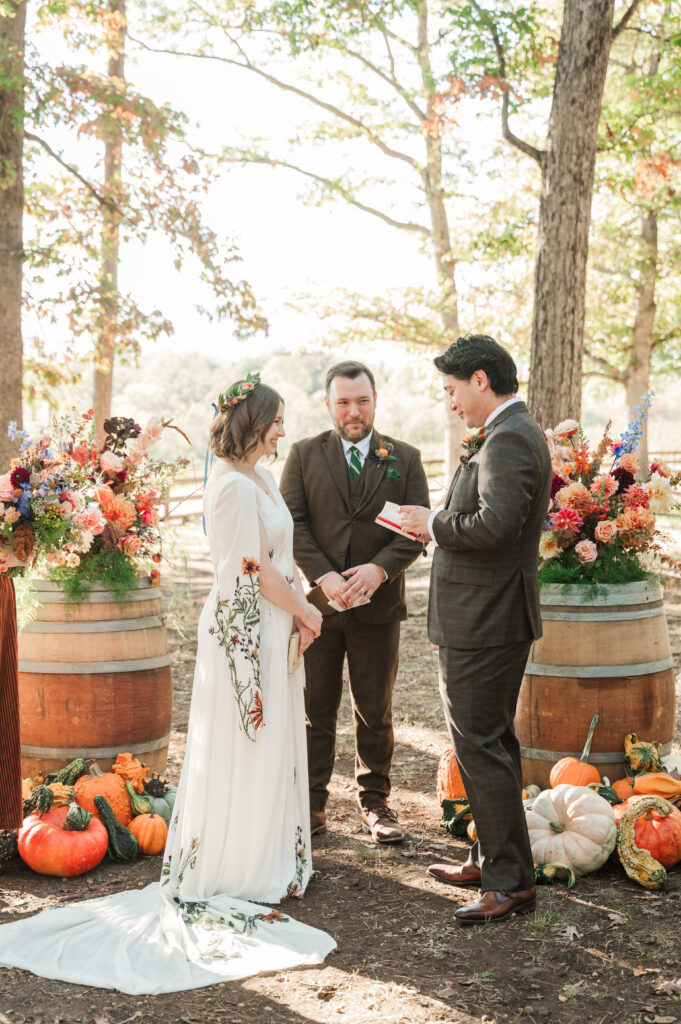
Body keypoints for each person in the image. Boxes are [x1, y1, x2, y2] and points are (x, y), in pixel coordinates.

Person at [0, 376, 336, 992]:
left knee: (270, 744)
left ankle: (269, 859)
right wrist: (309, 612)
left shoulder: (259, 477)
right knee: (249, 742)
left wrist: (304, 603)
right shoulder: (231, 485)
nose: (285, 431)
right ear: (255, 421)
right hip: (243, 633)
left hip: (269, 627)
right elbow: (253, 573)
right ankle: (239, 871)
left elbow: (279, 562)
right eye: (278, 420)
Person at [400, 335, 551, 925]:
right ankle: (493, 858)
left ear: (481, 380)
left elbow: (496, 526)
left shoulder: (510, 437)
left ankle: (510, 883)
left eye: (452, 389)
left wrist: (432, 523)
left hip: (487, 619)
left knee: (480, 744)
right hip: (482, 614)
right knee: (490, 742)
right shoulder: (505, 433)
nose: (451, 402)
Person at [280, 361, 430, 843]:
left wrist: (379, 569)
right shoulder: (303, 455)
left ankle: (376, 804)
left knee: (375, 709)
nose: (353, 410)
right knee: (314, 708)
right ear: (328, 404)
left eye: (362, 400)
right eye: (343, 401)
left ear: (375, 401)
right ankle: (312, 803)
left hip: (378, 607)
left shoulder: (404, 457)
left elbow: (416, 529)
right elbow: (292, 524)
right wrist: (323, 576)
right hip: (317, 611)